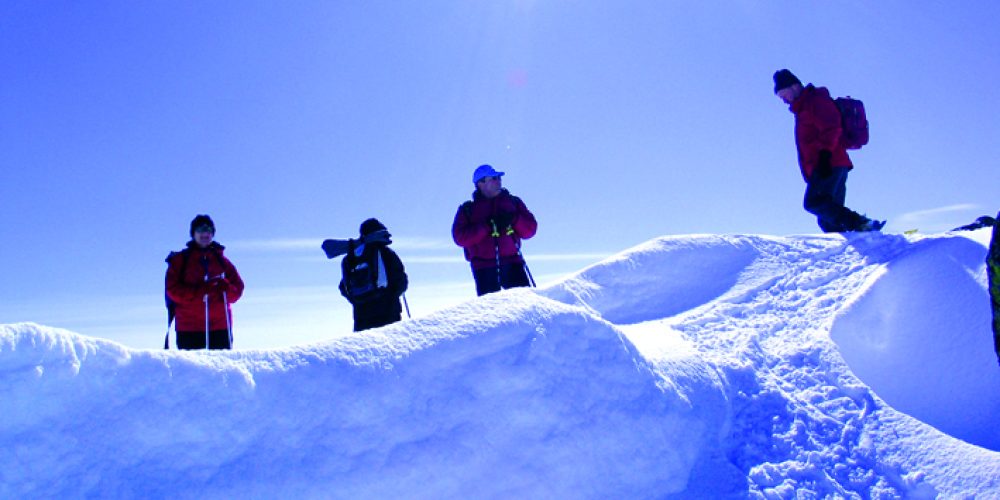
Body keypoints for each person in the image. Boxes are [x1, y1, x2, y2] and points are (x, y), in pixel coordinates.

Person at [773, 69, 884, 233]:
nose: (783, 100)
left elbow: (832, 127)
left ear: (794, 86)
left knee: (814, 202)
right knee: (828, 221)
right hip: (829, 164)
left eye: (783, 95)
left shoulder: (815, 101)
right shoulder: (803, 107)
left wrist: (825, 155)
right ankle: (860, 239)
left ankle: (862, 223)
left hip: (830, 162)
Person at [452, 164, 538, 296]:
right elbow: (460, 238)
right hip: (484, 267)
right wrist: (486, 226)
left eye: (498, 178)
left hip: (513, 263)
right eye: (494, 178)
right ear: (480, 183)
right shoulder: (468, 209)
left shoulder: (513, 202)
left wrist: (514, 219)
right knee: (493, 308)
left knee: (524, 303)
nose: (499, 181)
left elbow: (530, 230)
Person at [165, 214, 245, 350]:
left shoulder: (222, 262)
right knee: (191, 365)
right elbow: (172, 290)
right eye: (200, 230)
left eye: (209, 230)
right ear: (193, 233)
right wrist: (200, 292)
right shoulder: (180, 261)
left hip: (220, 327)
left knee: (220, 364)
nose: (205, 234)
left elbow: (237, 291)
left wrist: (226, 289)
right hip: (189, 328)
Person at [339, 218, 408, 331]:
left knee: (366, 342)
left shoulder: (350, 258)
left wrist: (357, 301)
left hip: (361, 316)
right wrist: (391, 296)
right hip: (388, 311)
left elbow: (343, 287)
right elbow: (401, 280)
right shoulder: (386, 252)